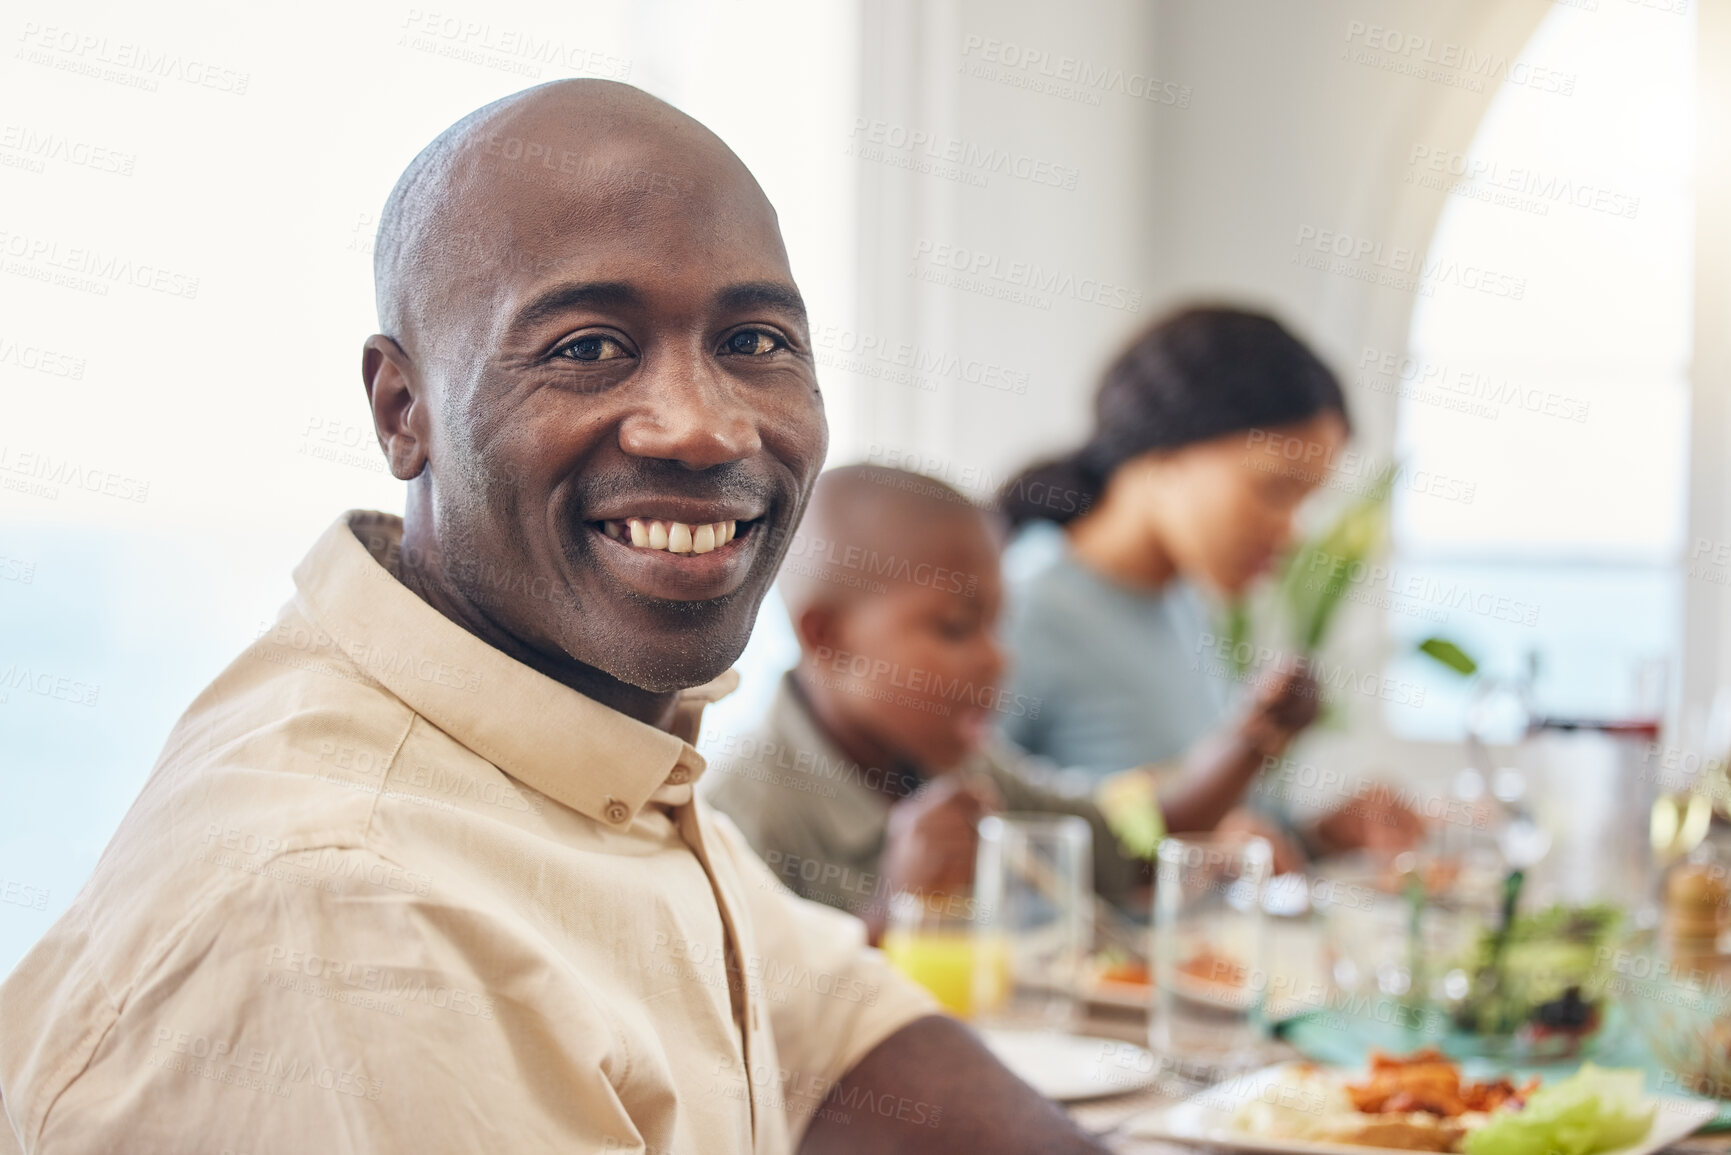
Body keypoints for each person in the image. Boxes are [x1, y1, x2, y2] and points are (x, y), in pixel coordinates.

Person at [0, 81, 1111, 1155]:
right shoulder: (348, 904)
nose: (705, 428)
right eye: (588, 347)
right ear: (403, 410)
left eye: (755, 343)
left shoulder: (569, 737)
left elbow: (829, 1033)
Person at [997, 306, 1423, 862]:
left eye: (1307, 501)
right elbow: (982, 835)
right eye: (1275, 490)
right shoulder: (1023, 607)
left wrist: (1317, 836)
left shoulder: (1181, 603)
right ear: (1164, 453)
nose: (1292, 531)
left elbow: (1204, 811)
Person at [703, 464, 1153, 943]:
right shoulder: (741, 813)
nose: (998, 659)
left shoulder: (956, 764)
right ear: (828, 638)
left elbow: (1118, 857)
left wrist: (1242, 745)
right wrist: (894, 905)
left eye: (997, 626)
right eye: (956, 627)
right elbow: (748, 1003)